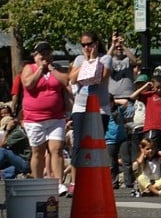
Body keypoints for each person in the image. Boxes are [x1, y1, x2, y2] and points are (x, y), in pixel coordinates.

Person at [20, 41, 69, 190]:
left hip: (56, 117)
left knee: (57, 149)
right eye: (42, 54)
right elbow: (28, 84)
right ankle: (38, 183)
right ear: (35, 56)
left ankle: (59, 183)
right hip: (34, 119)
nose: (45, 56)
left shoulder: (56, 69)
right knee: (38, 152)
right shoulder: (29, 68)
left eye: (48, 53)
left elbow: (66, 82)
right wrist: (40, 69)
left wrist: (52, 69)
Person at [68, 31, 112, 174]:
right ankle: (75, 180)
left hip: (100, 107)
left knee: (96, 143)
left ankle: (94, 176)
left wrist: (93, 60)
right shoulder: (79, 59)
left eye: (89, 44)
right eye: (83, 45)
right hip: (81, 106)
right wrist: (86, 62)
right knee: (78, 144)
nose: (86, 47)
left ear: (96, 43)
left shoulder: (105, 59)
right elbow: (72, 79)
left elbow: (99, 78)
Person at [107, 30, 139, 101]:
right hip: (112, 99)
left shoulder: (127, 58)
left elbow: (134, 61)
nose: (119, 48)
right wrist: (113, 44)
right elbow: (104, 62)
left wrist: (123, 45)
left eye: (120, 46)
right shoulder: (110, 59)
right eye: (117, 47)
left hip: (128, 98)